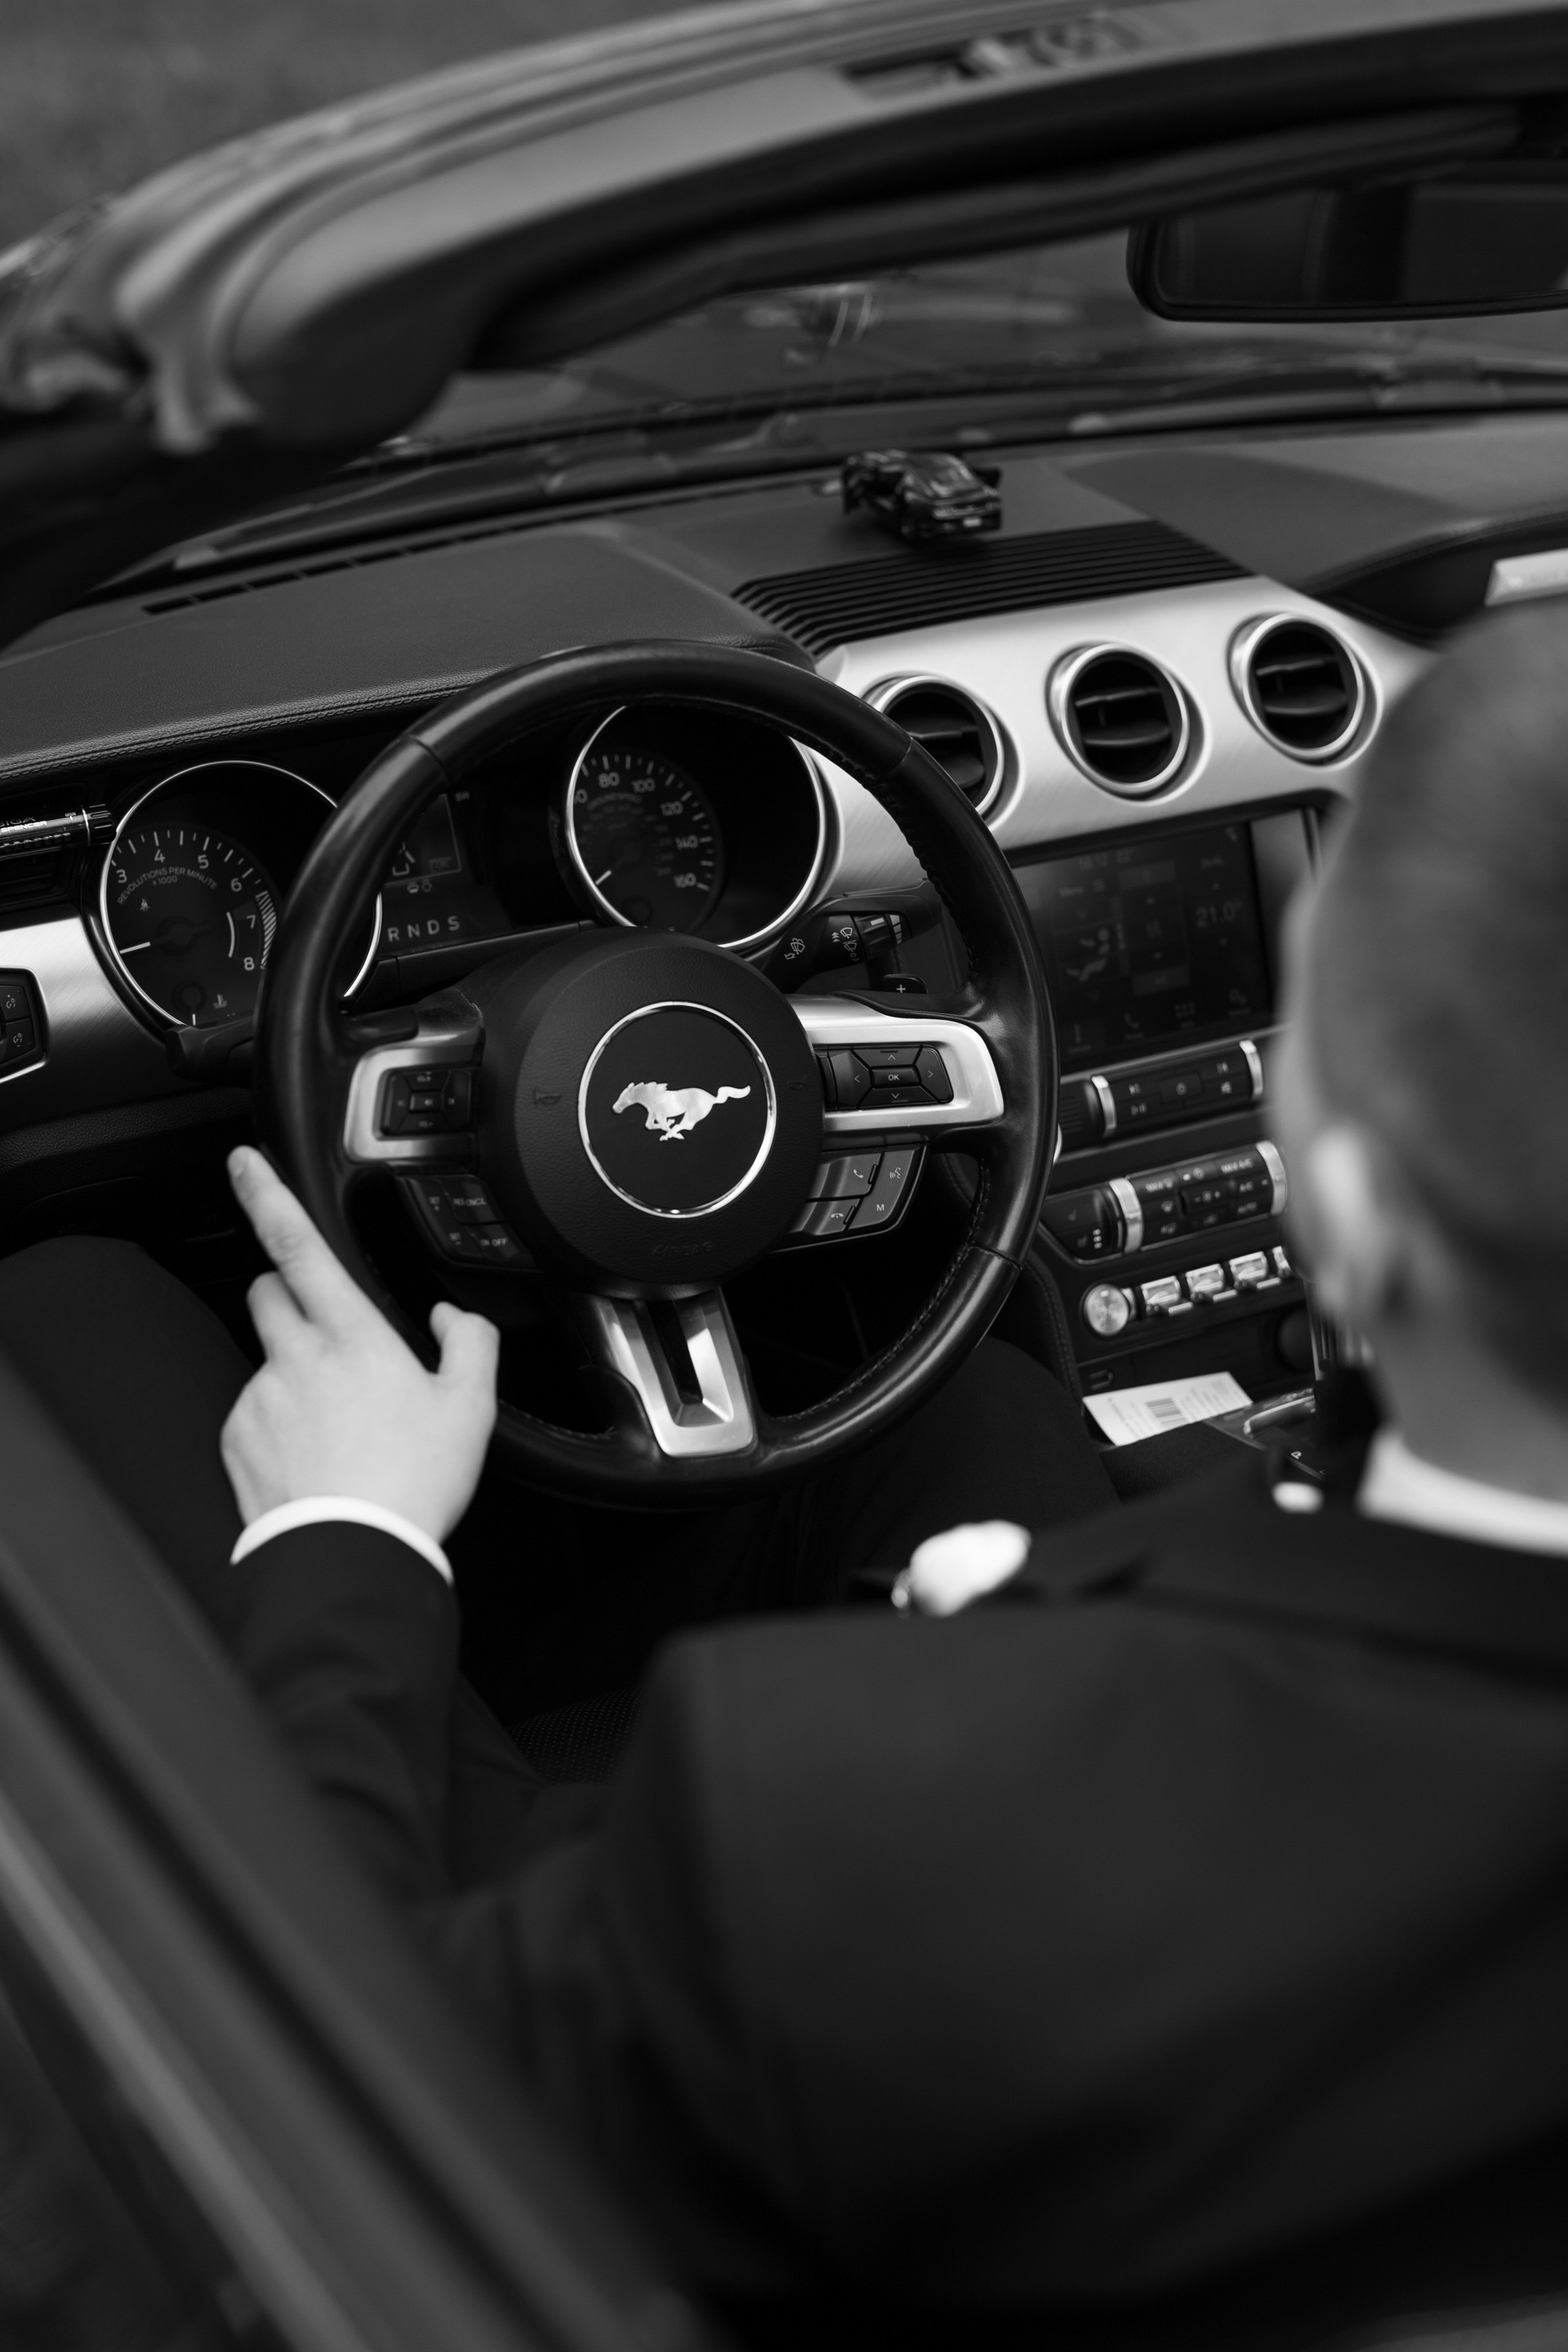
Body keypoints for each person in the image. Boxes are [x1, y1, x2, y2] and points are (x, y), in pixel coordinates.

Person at [11, 602, 1568, 2327]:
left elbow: (329, 2097)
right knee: (976, 1410)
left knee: (65, 1310)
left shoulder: (848, 1820)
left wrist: (347, 1534)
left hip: (658, 2107)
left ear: (1338, 1216)